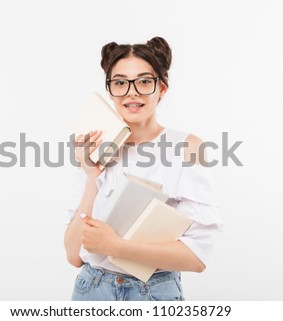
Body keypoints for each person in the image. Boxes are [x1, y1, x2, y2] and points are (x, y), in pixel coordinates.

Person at [64, 36, 222, 301]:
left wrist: (117, 247)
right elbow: (73, 255)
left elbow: (197, 258)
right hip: (91, 289)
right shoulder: (97, 147)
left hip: (152, 293)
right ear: (110, 89)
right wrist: (91, 177)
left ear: (162, 88)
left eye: (145, 81)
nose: (131, 92)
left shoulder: (187, 147)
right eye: (120, 82)